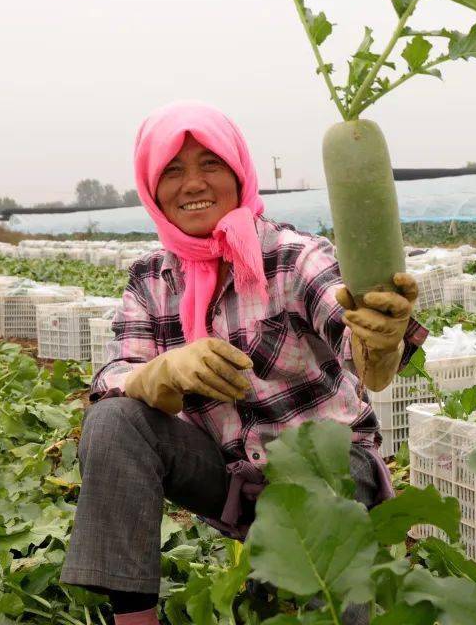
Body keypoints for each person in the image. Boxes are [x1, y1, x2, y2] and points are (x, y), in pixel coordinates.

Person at [60, 101, 427, 624]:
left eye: (210, 164)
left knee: (327, 512)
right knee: (113, 420)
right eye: (173, 169)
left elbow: (362, 349)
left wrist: (382, 338)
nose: (193, 184)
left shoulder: (295, 257)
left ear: (238, 172)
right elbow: (115, 379)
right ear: (151, 187)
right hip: (233, 477)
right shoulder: (150, 280)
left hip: (331, 470)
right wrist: (162, 373)